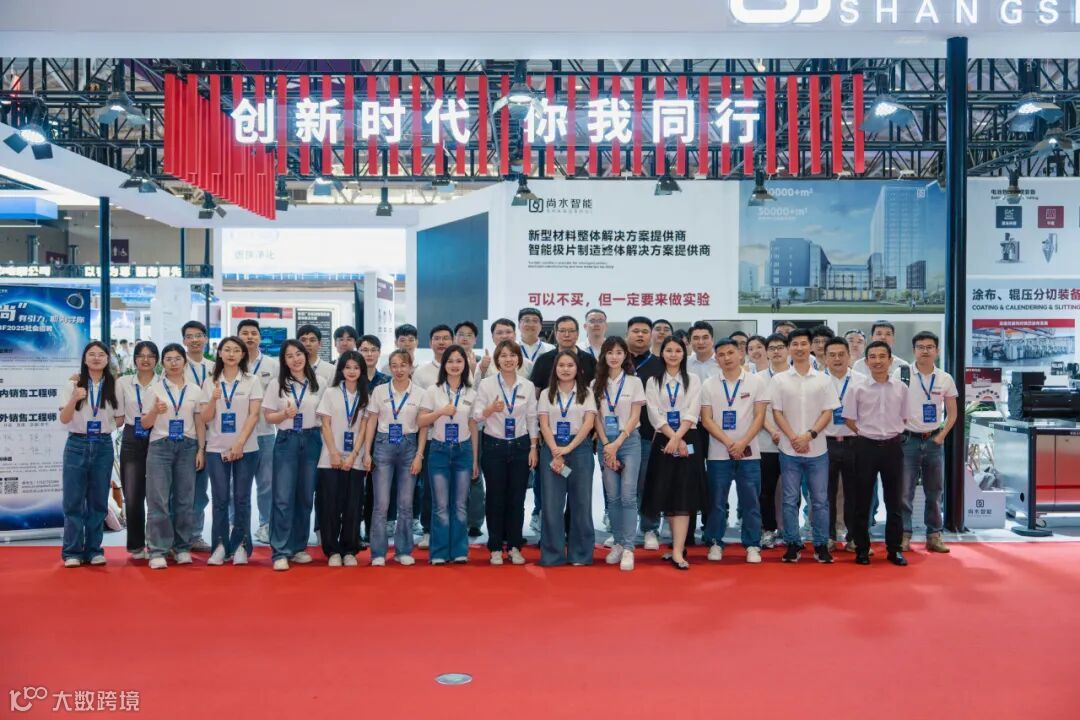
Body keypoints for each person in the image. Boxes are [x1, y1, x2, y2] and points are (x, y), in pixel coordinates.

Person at [768, 329, 838, 564]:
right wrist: (793, 438)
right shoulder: (779, 380)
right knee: (790, 500)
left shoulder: (824, 379)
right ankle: (792, 543)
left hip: (818, 450)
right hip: (789, 450)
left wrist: (809, 435)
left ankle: (820, 544)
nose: (799, 348)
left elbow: (828, 411)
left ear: (811, 347)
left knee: (820, 500)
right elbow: (777, 412)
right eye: (795, 344)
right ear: (789, 348)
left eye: (803, 343)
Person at [700, 338, 768, 564]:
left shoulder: (756, 382)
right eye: (721, 354)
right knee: (716, 502)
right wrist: (730, 443)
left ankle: (752, 544)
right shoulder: (709, 384)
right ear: (716, 359)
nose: (726, 358)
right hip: (718, 453)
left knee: (751, 502)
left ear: (740, 354)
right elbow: (707, 420)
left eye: (730, 353)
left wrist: (743, 443)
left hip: (750, 453)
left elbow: (760, 416)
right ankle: (715, 542)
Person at [842, 340, 910, 566]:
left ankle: (894, 549)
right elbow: (849, 419)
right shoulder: (857, 388)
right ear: (866, 361)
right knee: (862, 501)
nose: (877, 361)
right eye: (873, 357)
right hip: (865, 447)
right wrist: (866, 433)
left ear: (890, 360)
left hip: (892, 448)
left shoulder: (901, 388)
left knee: (895, 501)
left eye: (882, 356)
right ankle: (862, 549)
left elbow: (905, 418)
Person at [58, 341, 125, 567]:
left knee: (98, 501)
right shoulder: (73, 384)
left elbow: (120, 419)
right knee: (73, 501)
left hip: (103, 445)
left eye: (101, 354)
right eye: (92, 354)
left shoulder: (114, 385)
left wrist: (106, 424)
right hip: (77, 444)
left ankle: (94, 550)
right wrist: (75, 398)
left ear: (107, 359)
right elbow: (64, 419)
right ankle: (72, 552)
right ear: (85, 359)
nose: (96, 358)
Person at [198, 336, 263, 566]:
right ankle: (220, 546)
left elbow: (254, 415)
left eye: (236, 350)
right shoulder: (210, 382)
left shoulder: (252, 380)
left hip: (247, 448)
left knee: (242, 498)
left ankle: (241, 545)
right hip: (216, 448)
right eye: (227, 350)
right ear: (219, 353)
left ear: (243, 354)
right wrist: (213, 400)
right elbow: (205, 418)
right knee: (220, 499)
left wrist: (239, 443)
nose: (232, 354)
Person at [140, 343, 206, 570]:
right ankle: (158, 550)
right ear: (163, 364)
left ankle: (182, 548)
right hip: (160, 446)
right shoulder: (154, 390)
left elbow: (199, 422)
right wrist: (154, 411)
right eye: (168, 359)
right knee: (158, 500)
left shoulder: (195, 390)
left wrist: (201, 449)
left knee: (185, 500)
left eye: (177, 358)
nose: (173, 363)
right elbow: (144, 423)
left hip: (188, 446)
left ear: (184, 362)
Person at [642, 337, 705, 570]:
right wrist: (672, 437)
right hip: (664, 439)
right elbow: (654, 413)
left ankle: (678, 550)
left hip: (688, 438)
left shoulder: (693, 379)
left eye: (678, 350)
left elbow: (693, 410)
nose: (673, 354)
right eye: (668, 350)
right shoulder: (653, 381)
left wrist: (678, 438)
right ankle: (676, 546)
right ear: (662, 353)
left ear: (684, 354)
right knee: (667, 493)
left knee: (684, 494)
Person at [262, 339, 323, 571]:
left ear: (305, 355)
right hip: (287, 440)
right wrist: (284, 414)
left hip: (312, 439)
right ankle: (280, 550)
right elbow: (268, 417)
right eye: (289, 356)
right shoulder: (277, 384)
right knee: (283, 496)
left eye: (299, 354)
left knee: (305, 496)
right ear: (284, 361)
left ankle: (298, 547)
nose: (295, 359)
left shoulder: (319, 382)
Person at [475, 339, 538, 566]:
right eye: (503, 355)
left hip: (521, 446)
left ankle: (514, 546)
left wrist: (533, 448)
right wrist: (491, 409)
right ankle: (494, 547)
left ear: (519, 359)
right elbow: (476, 416)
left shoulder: (527, 386)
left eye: (512, 355)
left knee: (517, 498)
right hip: (494, 446)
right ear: (497, 360)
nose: (508, 359)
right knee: (495, 498)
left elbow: (532, 418)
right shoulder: (487, 385)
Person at [362, 349, 425, 566]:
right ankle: (378, 553)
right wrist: (367, 452)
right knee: (381, 504)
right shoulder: (380, 391)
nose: (399, 370)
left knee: (406, 503)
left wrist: (419, 455)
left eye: (403, 365)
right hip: (383, 445)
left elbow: (423, 427)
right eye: (394, 365)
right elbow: (371, 421)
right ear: (389, 368)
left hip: (409, 446)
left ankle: (403, 550)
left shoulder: (419, 393)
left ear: (410, 367)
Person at [419, 345, 480, 564]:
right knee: (441, 505)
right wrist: (440, 412)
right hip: (439, 450)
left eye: (459, 361)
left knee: (461, 505)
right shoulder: (433, 391)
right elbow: (421, 421)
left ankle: (459, 550)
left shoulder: (472, 392)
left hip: (463, 451)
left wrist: (475, 459)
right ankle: (439, 552)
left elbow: (473, 426)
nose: (455, 365)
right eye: (450, 361)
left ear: (465, 365)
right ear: (444, 365)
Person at [900, 331, 958, 554]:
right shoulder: (902, 374)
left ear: (937, 351)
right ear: (914, 350)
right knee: (904, 492)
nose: (925, 351)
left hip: (934, 441)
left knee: (934, 492)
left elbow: (952, 413)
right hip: (907, 441)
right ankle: (904, 535)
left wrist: (941, 436)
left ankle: (934, 536)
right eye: (920, 347)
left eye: (929, 347)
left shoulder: (944, 378)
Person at [537, 350, 597, 566]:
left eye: (570, 365)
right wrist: (556, 450)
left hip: (579, 448)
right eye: (561, 365)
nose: (565, 369)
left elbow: (589, 423)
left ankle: (580, 554)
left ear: (577, 369)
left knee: (581, 502)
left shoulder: (587, 393)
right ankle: (552, 555)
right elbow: (544, 424)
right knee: (551, 504)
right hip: (552, 447)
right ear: (555, 368)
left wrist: (569, 447)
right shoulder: (546, 393)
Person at [592, 337, 645, 571]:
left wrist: (618, 442)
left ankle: (629, 547)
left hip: (629, 442)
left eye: (619, 352)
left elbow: (635, 416)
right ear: (603, 355)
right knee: (612, 497)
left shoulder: (634, 382)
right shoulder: (595, 383)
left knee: (628, 496)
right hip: (605, 443)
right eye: (610, 352)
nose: (614, 357)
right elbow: (595, 417)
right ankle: (618, 543)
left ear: (625, 356)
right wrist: (606, 444)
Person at [315, 350, 370, 567]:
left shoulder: (366, 396)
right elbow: (325, 425)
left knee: (353, 506)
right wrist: (334, 453)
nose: (352, 371)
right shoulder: (330, 393)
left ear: (362, 371)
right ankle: (332, 550)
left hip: (354, 460)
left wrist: (354, 455)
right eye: (347, 367)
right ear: (341, 370)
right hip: (330, 458)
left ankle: (349, 549)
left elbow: (364, 428)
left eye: (356, 368)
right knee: (329, 505)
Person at [822, 337, 866, 554]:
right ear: (825, 358)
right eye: (832, 355)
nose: (837, 359)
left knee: (855, 493)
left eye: (841, 354)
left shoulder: (862, 380)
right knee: (825, 494)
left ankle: (854, 537)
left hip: (854, 442)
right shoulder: (817, 381)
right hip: (825, 443)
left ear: (849, 356)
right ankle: (828, 536)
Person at [237, 319, 279, 545]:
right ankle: (236, 524)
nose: (249, 337)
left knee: (266, 483)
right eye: (245, 333)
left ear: (260, 337)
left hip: (265, 432)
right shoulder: (232, 361)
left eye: (254, 333)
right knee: (236, 484)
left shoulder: (272, 364)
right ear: (238, 336)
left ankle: (266, 524)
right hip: (236, 433)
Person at [116, 340, 158, 560]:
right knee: (133, 495)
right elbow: (118, 415)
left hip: (158, 435)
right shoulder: (123, 382)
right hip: (132, 436)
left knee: (159, 495)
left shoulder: (163, 382)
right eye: (141, 355)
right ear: (134, 359)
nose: (145, 359)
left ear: (156, 360)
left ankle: (159, 542)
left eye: (150, 356)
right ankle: (136, 545)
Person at [626, 316, 665, 551]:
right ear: (627, 335)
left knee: (649, 484)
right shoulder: (616, 361)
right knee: (623, 488)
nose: (640, 335)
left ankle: (650, 528)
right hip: (620, 436)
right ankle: (622, 530)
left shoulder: (660, 364)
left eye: (644, 331)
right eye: (635, 331)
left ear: (651, 336)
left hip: (650, 435)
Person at [181, 320, 213, 553]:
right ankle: (176, 536)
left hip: (213, 435)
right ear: (184, 340)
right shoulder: (177, 365)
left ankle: (195, 535)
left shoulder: (215, 367)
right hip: (186, 434)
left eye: (198, 335)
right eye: (190, 336)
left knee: (200, 491)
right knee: (181, 489)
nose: (194, 340)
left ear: (205, 339)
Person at [757, 334, 790, 549]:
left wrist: (787, 433)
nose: (776, 351)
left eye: (780, 347)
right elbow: (757, 411)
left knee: (791, 492)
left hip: (793, 443)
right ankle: (768, 529)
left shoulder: (797, 376)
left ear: (787, 350)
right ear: (766, 352)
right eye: (772, 348)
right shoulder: (758, 379)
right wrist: (772, 431)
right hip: (765, 443)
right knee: (766, 491)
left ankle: (789, 530)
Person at [358, 334, 389, 548]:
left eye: (373, 350)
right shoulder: (352, 377)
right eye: (364, 350)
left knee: (375, 490)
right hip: (352, 440)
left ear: (379, 353)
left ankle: (372, 531)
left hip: (380, 441)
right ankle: (351, 531)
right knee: (353, 490)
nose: (369, 354)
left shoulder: (386, 381)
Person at [529, 315, 598, 393]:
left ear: (577, 334)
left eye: (571, 331)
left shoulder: (589, 360)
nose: (567, 335)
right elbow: (535, 391)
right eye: (562, 331)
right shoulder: (543, 360)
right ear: (556, 333)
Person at [413, 325, 454, 390]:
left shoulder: (461, 369)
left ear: (453, 343)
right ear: (430, 343)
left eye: (445, 338)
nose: (441, 342)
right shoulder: (420, 372)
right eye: (437, 338)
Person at [518, 307, 554, 373]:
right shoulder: (511, 348)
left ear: (541, 326)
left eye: (535, 321)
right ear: (519, 324)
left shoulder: (551, 349)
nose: (531, 324)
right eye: (527, 320)